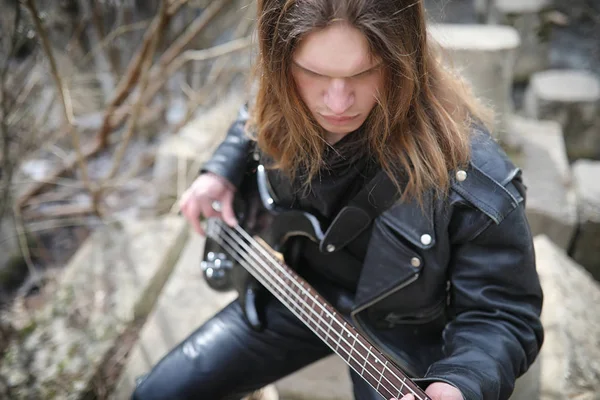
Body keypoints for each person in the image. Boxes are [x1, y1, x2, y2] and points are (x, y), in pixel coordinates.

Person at [132, 0, 544, 399]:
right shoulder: (286, 94)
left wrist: (461, 383)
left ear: (404, 60)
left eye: (364, 73)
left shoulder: (472, 178)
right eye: (314, 73)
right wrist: (219, 172)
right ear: (280, 63)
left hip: (400, 338)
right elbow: (254, 113)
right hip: (294, 289)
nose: (337, 103)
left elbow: (503, 313)